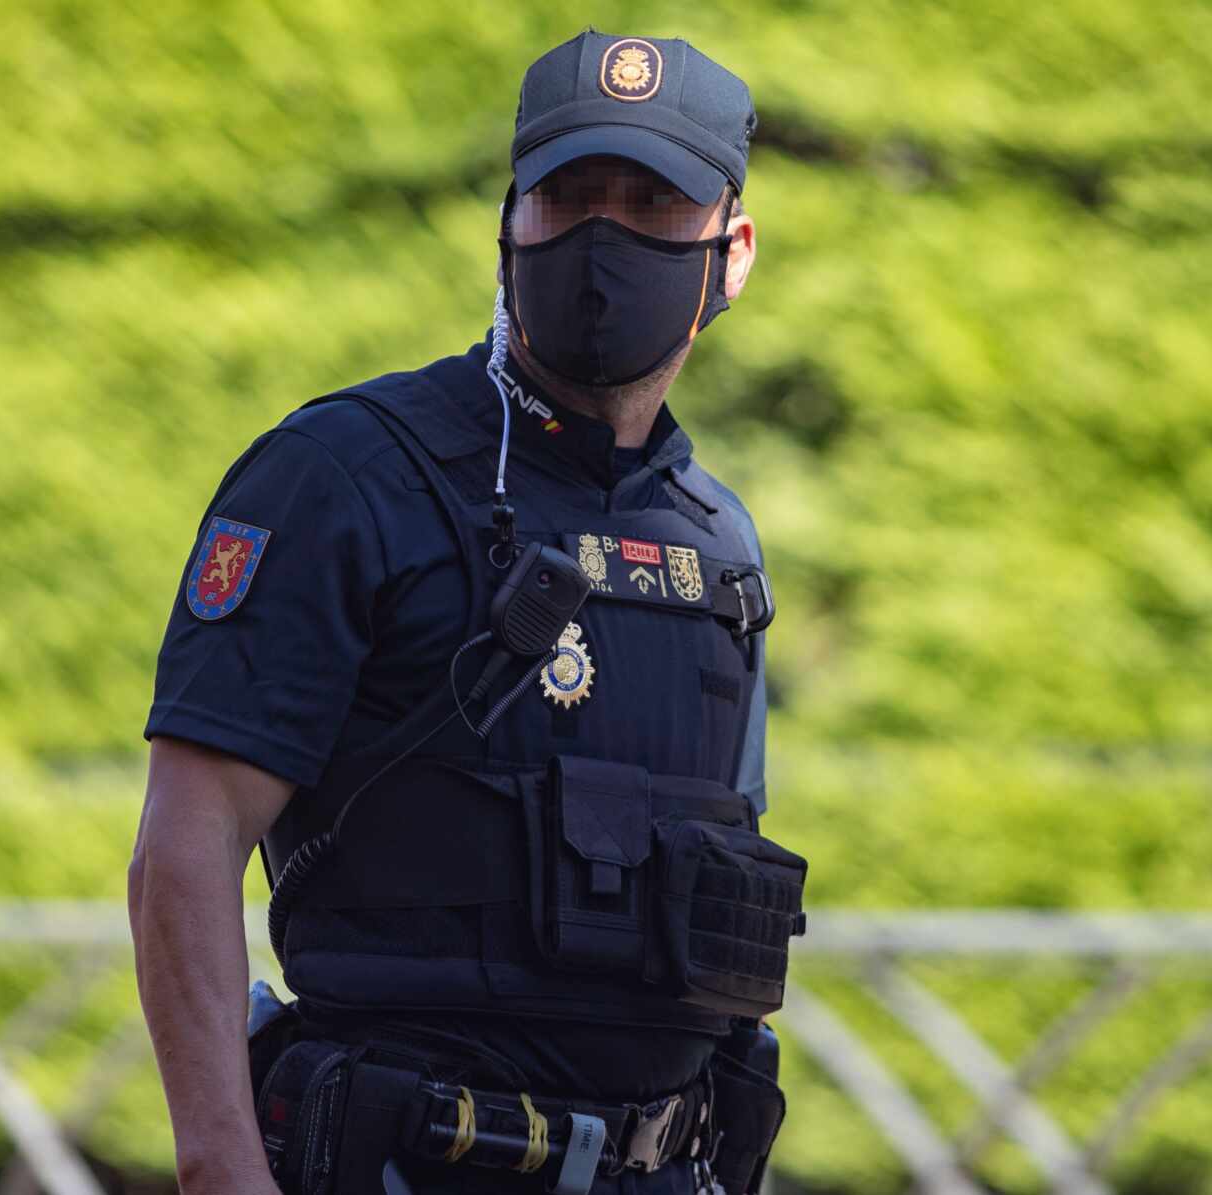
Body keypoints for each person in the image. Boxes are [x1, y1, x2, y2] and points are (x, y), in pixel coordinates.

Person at [129, 30, 806, 1195]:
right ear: (508, 225)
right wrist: (221, 1174)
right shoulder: (341, 474)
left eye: (651, 199)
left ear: (730, 252)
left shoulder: (718, 545)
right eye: (566, 195)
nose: (602, 233)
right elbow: (182, 853)